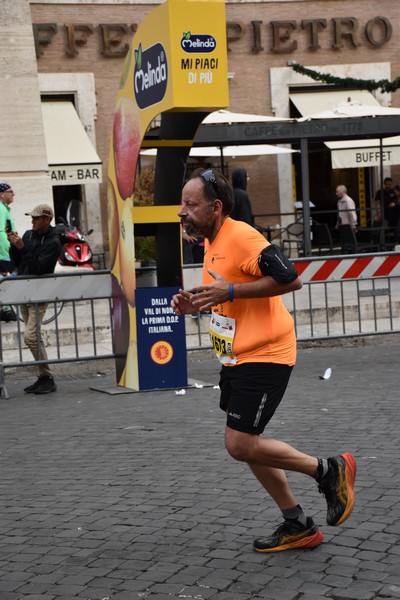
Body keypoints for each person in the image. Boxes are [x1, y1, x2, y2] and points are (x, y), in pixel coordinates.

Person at [171, 168, 356, 553]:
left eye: (190, 205)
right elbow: (228, 295)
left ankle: (328, 470)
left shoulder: (241, 235)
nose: (181, 213)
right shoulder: (212, 241)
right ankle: (298, 524)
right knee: (249, 443)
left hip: (266, 355)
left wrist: (232, 289)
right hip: (237, 357)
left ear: (215, 207)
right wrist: (197, 303)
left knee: (239, 444)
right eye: (182, 205)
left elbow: (290, 278)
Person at [8, 204, 62, 394]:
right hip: (24, 290)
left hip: (39, 293)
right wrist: (14, 246)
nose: (32, 221)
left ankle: (47, 376)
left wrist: (23, 249)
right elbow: (17, 262)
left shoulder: (54, 242)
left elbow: (39, 268)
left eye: (36, 218)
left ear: (47, 220)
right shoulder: (29, 235)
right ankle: (44, 377)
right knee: (34, 337)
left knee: (30, 337)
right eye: (32, 218)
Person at [0, 183, 17, 321]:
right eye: (10, 191)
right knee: (5, 279)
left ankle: (4, 309)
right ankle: (5, 309)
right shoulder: (0, 208)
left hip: (4, 251)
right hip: (3, 252)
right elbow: (0, 231)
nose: (13, 194)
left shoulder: (4, 209)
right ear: (2, 194)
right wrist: (8, 247)